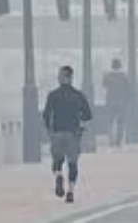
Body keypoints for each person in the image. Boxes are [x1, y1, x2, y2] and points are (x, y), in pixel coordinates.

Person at [42, 66, 93, 204]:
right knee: (72, 163)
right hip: (73, 133)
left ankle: (59, 176)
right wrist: (79, 117)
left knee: (57, 160)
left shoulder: (53, 95)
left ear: (66, 77)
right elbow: (88, 115)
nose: (58, 77)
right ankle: (70, 191)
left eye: (60, 75)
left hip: (57, 132)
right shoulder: (78, 95)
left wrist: (49, 130)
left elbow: (46, 115)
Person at [101, 58, 133, 147]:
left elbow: (103, 85)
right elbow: (129, 89)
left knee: (110, 122)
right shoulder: (124, 76)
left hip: (110, 102)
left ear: (112, 65)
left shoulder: (107, 76)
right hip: (122, 102)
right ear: (120, 66)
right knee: (121, 122)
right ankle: (119, 140)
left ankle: (110, 140)